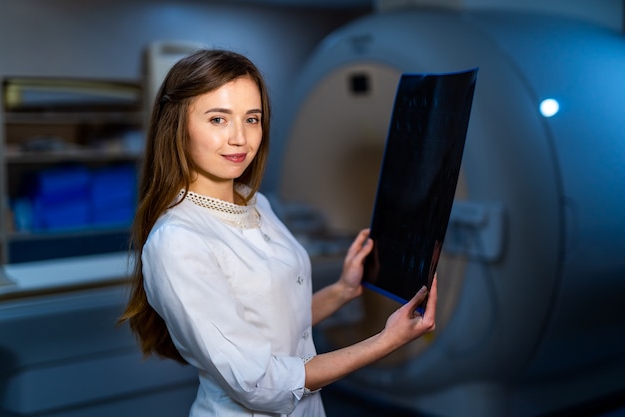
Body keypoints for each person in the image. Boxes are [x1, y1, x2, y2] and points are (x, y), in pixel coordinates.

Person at [119, 48, 437, 417]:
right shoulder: (177, 242)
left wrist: (342, 291)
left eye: (251, 119)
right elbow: (261, 384)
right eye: (218, 119)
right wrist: (384, 342)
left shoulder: (255, 203)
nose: (240, 138)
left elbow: (273, 325)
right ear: (178, 125)